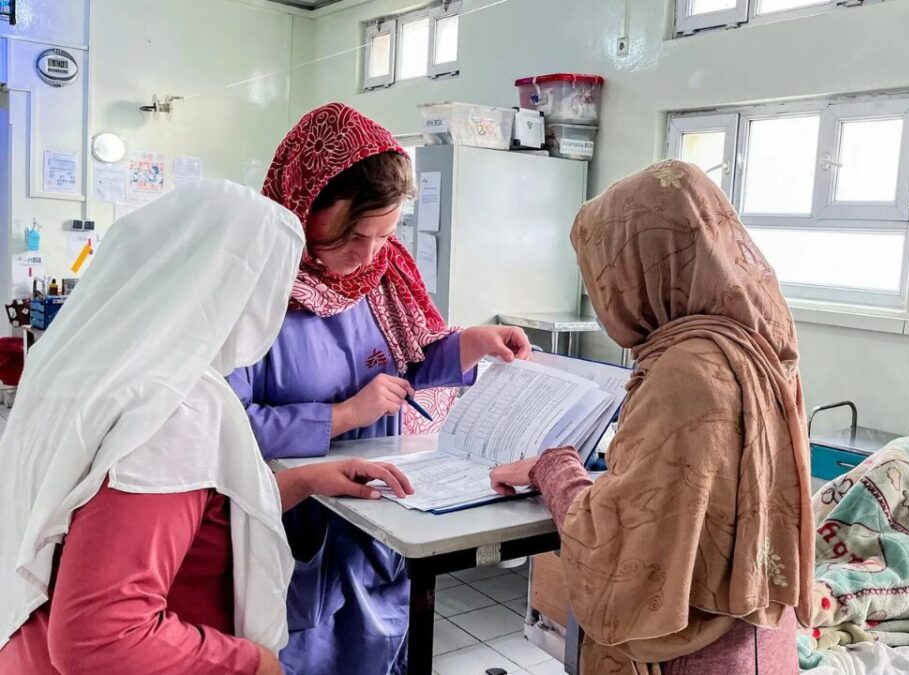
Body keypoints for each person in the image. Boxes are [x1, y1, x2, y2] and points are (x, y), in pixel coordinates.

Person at [0, 181, 416, 674]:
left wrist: (301, 482)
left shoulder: (73, 371)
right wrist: (254, 664)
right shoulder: (175, 407)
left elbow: (170, 511)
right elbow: (103, 637)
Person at [230, 102, 531, 674]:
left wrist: (471, 343)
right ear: (304, 205)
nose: (367, 256)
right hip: (291, 524)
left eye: (384, 236)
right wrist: (344, 415)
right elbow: (225, 423)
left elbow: (408, 363)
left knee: (379, 649)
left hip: (378, 526)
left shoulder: (381, 277)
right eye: (352, 235)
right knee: (299, 650)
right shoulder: (252, 289)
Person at [490, 161, 814, 674]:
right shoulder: (759, 343)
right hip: (761, 642)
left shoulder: (686, 373)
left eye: (604, 276)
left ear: (641, 268)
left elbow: (620, 549)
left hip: (691, 654)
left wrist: (552, 468)